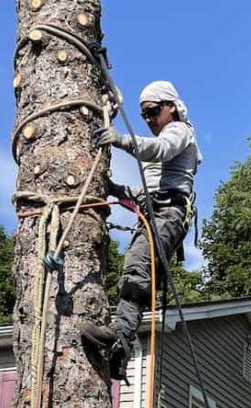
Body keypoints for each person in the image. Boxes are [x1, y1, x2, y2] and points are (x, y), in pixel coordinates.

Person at [81, 80, 202, 381]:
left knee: (136, 268)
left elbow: (159, 151)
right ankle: (119, 354)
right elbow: (146, 190)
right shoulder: (162, 143)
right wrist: (112, 188)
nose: (148, 120)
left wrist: (120, 140)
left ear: (170, 107)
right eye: (144, 115)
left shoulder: (179, 131)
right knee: (135, 279)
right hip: (154, 213)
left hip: (168, 215)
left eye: (152, 111)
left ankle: (118, 336)